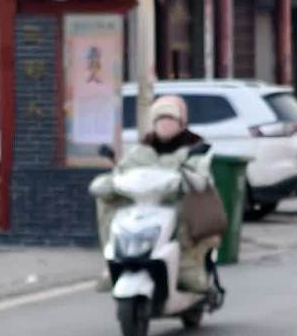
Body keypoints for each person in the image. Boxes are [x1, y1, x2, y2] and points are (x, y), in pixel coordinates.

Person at [91, 95, 219, 292]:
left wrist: (190, 178)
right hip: (143, 205)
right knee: (108, 203)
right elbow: (123, 171)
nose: (165, 124)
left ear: (181, 122)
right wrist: (108, 184)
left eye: (170, 119)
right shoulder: (141, 150)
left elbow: (201, 177)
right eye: (160, 119)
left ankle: (189, 268)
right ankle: (113, 262)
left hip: (174, 203)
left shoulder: (194, 147)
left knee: (189, 210)